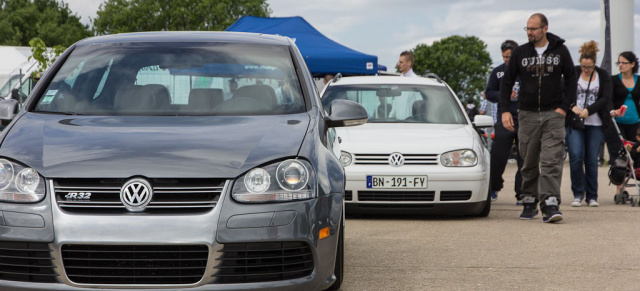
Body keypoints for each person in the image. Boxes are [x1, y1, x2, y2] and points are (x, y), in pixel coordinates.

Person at [499, 13, 576, 223]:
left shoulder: (560, 51)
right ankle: (530, 200)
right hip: (527, 114)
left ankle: (550, 203)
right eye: (527, 29)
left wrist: (564, 107)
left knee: (551, 160)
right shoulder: (521, 53)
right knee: (529, 160)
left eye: (533, 29)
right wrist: (505, 109)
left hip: (554, 114)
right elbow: (506, 82)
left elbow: (571, 79)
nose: (530, 32)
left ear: (545, 28)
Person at [566, 41, 612, 208]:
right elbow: (564, 94)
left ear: (594, 63)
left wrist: (589, 110)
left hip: (596, 122)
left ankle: (592, 195)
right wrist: (573, 107)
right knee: (576, 156)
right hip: (575, 122)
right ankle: (578, 193)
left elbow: (605, 98)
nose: (586, 69)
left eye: (589, 67)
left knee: (591, 159)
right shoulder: (574, 73)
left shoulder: (603, 75)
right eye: (584, 66)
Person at [485, 39, 523, 204]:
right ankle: (494, 187)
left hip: (524, 118)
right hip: (504, 118)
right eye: (504, 56)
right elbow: (489, 93)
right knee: (498, 156)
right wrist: (504, 95)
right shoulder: (498, 72)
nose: (506, 59)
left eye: (509, 56)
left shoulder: (526, 71)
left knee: (525, 158)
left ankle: (522, 193)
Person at [607, 51, 640, 196]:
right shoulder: (613, 80)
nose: (620, 65)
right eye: (618, 62)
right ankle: (620, 187)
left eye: (624, 63)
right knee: (619, 154)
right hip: (617, 122)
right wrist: (612, 111)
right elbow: (607, 99)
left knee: (635, 153)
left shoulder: (638, 80)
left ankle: (634, 181)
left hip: (636, 122)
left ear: (632, 64)